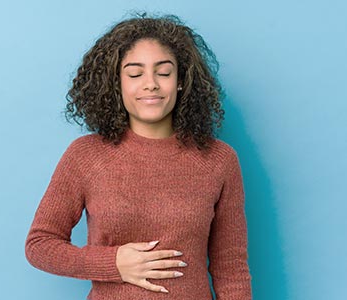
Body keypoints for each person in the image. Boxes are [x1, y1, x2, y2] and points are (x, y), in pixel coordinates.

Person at [25, 13, 252, 300]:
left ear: (181, 81)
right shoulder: (85, 155)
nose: (151, 84)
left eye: (164, 72)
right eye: (135, 73)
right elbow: (40, 245)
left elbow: (230, 268)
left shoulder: (219, 160)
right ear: (116, 84)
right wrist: (113, 263)